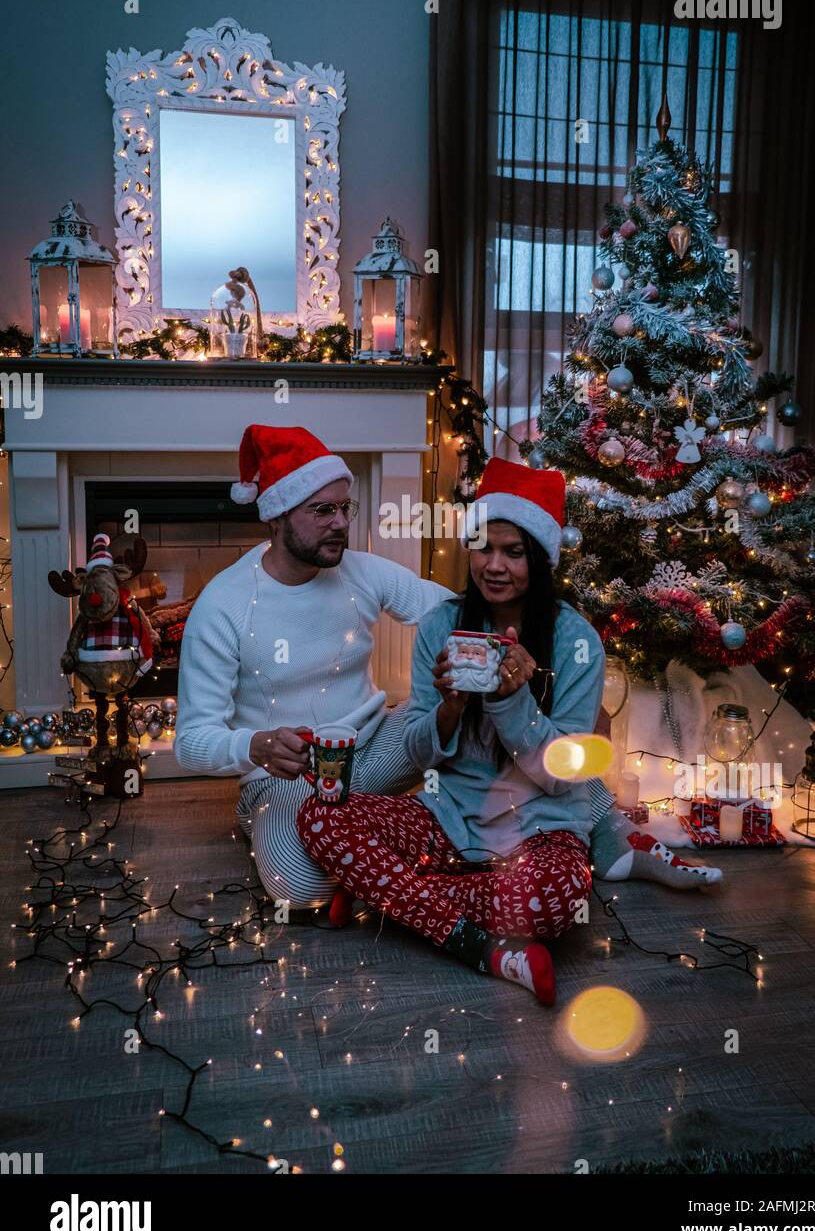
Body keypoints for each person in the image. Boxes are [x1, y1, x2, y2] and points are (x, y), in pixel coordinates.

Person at [298, 458, 606, 1005]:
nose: (495, 565)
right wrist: (449, 707)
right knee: (321, 815)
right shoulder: (441, 624)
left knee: (557, 899)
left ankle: (389, 895)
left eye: (514, 552)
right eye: (484, 547)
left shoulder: (577, 642)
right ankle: (484, 947)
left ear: (540, 558)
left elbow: (563, 776)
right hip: (445, 817)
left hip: (539, 831)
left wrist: (513, 701)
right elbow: (417, 751)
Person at [174, 424, 452, 906]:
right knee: (299, 891)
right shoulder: (225, 603)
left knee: (472, 702)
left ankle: (367, 837)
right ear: (277, 517)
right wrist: (256, 746)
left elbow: (453, 614)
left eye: (345, 508)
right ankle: (401, 835)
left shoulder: (363, 571)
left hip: (374, 753)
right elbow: (191, 743)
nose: (340, 522)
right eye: (322, 510)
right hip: (285, 782)